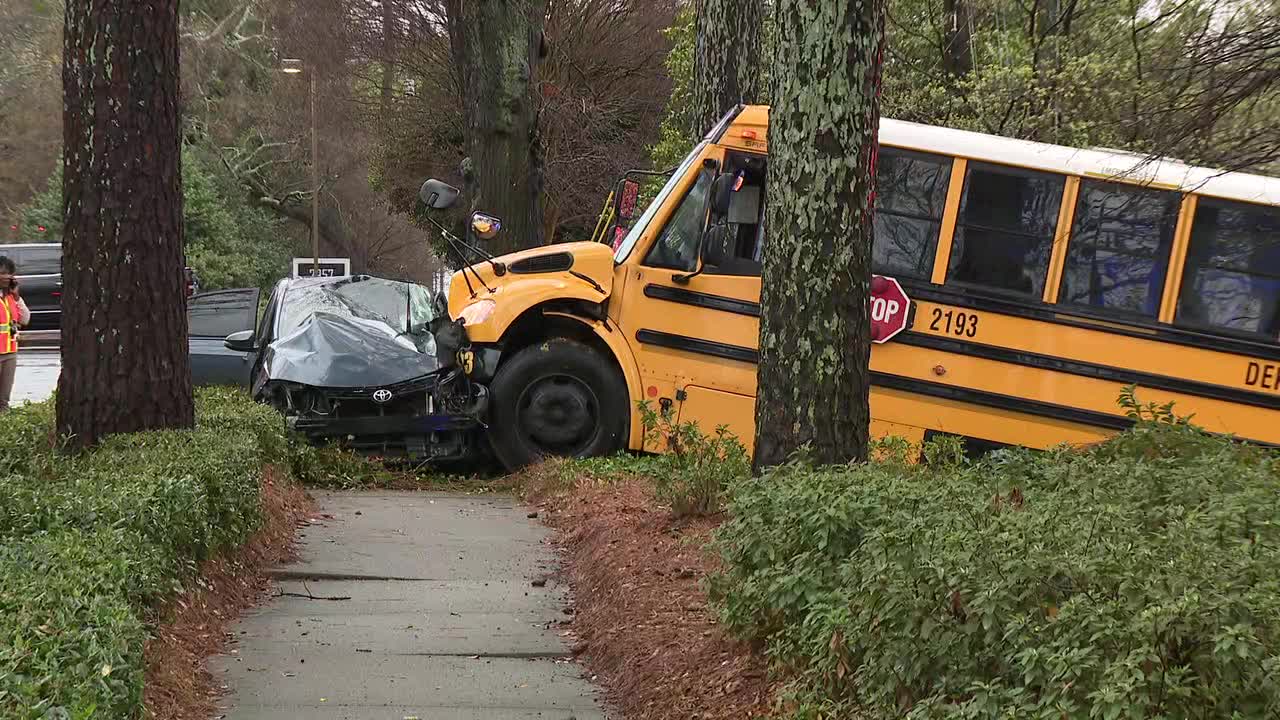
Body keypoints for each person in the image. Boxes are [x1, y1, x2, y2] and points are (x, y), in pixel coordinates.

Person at [0, 255, 32, 412]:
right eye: (3, 273)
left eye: (10, 273)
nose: (7, 277)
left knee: (3, 400)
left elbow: (25, 319)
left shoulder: (10, 297)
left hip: (10, 352)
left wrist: (17, 296)